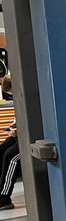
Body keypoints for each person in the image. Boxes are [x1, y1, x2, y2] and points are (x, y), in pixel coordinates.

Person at [0, 76, 19, 211]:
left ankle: (4, 197)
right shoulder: (19, 98)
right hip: (18, 135)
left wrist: (17, 131)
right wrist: (13, 127)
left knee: (11, 156)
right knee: (2, 150)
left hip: (28, 137)